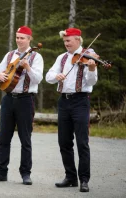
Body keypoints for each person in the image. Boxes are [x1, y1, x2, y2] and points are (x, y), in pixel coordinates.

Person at [0, 26, 44, 185]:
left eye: (22, 38)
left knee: (25, 138)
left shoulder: (36, 57)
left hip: (26, 100)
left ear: (29, 39)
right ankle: (1, 172)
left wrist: (28, 68)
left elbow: (38, 79)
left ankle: (25, 173)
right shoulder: (10, 55)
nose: (19, 40)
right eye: (17, 37)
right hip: (8, 98)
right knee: (4, 137)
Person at [45, 27, 98, 193]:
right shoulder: (61, 58)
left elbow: (91, 82)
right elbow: (48, 76)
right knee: (64, 142)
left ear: (78, 40)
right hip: (64, 102)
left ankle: (84, 180)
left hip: (80, 101)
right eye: (64, 41)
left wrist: (91, 68)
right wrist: (56, 76)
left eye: (68, 40)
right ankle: (70, 177)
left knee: (82, 142)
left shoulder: (89, 55)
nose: (66, 43)